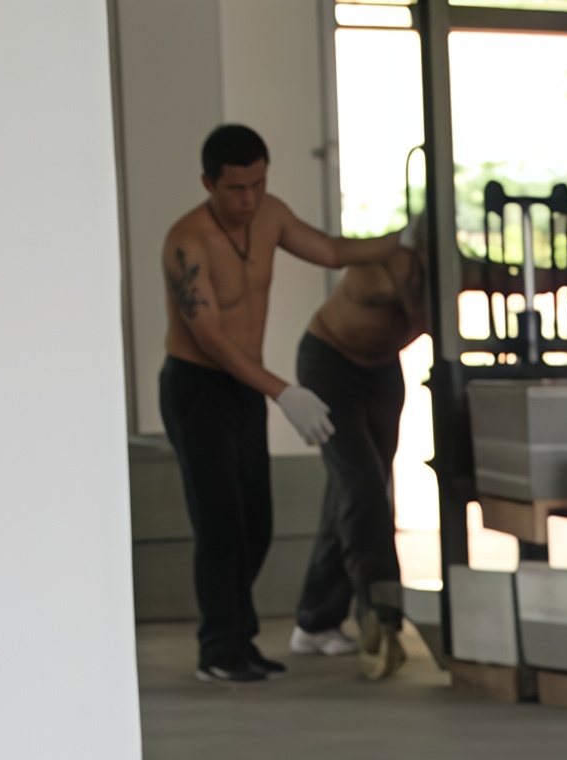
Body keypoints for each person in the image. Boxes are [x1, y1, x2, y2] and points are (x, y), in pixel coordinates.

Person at [158, 124, 411, 688]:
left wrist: (401, 239)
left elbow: (332, 251)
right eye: (235, 189)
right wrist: (283, 390)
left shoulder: (269, 215)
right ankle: (218, 648)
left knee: (257, 524)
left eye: (258, 184)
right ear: (208, 183)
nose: (248, 199)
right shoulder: (187, 242)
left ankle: (240, 640)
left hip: (245, 387)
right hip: (197, 387)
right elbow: (210, 339)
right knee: (220, 524)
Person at [286, 235, 429, 679]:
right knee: (363, 488)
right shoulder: (378, 269)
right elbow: (418, 313)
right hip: (329, 367)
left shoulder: (443, 268)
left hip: (382, 373)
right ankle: (381, 617)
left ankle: (315, 623)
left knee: (355, 490)